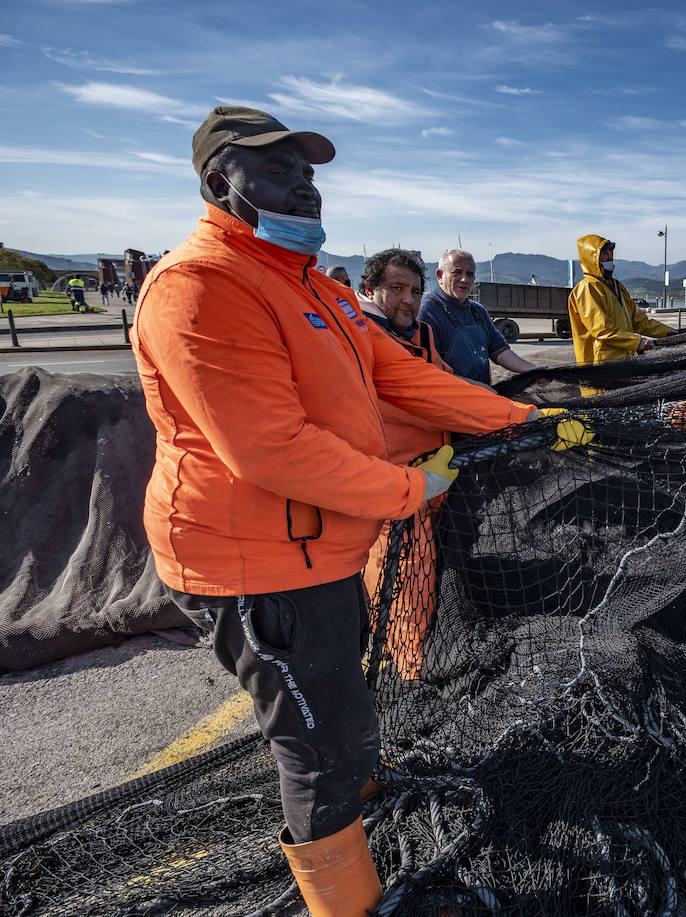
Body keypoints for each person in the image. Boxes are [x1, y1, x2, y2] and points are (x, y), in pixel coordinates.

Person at [131, 105, 551, 917]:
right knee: (318, 748)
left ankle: (360, 806)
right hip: (250, 565)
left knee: (343, 713)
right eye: (281, 170)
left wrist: (521, 418)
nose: (308, 186)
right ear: (222, 182)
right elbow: (271, 448)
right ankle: (349, 905)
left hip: (319, 554)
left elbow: (402, 378)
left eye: (310, 170)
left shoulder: (311, 287)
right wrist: (407, 492)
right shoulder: (199, 287)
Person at [356, 249, 453, 680]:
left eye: (414, 291)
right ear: (370, 291)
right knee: (403, 576)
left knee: (423, 576)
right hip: (397, 484)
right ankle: (408, 672)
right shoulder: (361, 338)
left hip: (437, 477)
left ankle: (395, 652)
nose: (408, 300)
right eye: (396, 289)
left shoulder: (423, 336)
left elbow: (449, 384)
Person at [418, 248, 543, 384]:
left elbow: (500, 351)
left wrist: (532, 369)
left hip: (481, 397)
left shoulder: (478, 311)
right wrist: (474, 387)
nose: (464, 279)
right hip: (448, 401)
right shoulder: (427, 311)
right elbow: (428, 371)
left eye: (470, 274)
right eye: (457, 272)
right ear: (440, 275)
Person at [568, 234, 670, 364]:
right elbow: (602, 331)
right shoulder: (587, 288)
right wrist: (637, 342)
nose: (609, 257)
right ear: (592, 258)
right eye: (604, 253)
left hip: (625, 362)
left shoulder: (617, 286)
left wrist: (667, 331)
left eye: (610, 252)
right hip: (601, 366)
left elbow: (639, 321)